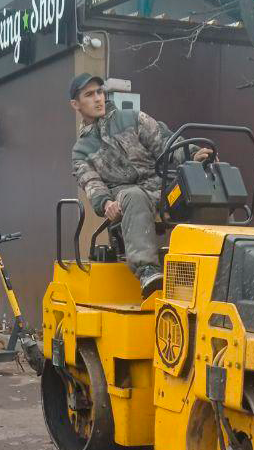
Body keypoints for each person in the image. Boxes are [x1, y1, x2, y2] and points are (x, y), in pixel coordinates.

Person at [69, 73, 212, 297]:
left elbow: (166, 143)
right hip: (123, 199)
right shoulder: (81, 150)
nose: (98, 98)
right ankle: (148, 271)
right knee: (134, 194)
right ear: (75, 104)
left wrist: (193, 155)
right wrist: (106, 203)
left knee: (200, 186)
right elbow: (91, 182)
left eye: (99, 92)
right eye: (89, 95)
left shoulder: (133, 119)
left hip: (160, 189)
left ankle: (217, 263)